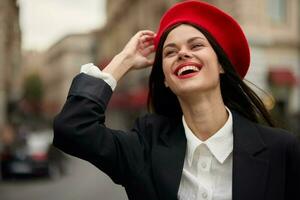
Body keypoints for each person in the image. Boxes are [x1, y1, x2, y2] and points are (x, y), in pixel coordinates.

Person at [53, 1, 300, 200]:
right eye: (170, 52)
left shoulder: (281, 149)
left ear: (222, 66)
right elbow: (73, 129)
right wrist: (123, 61)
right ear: (165, 80)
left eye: (196, 45)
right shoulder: (144, 146)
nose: (182, 53)